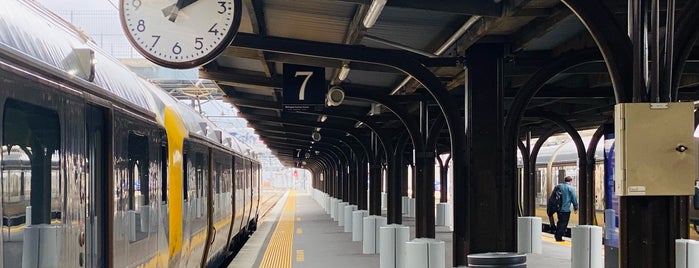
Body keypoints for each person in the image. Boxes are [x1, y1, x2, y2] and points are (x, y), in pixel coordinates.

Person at [554, 176, 579, 241]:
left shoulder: (559, 186)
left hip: (558, 208)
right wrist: (575, 207)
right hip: (565, 209)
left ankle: (557, 235)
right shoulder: (570, 188)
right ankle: (559, 237)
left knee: (560, 222)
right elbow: (574, 198)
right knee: (563, 223)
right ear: (570, 181)